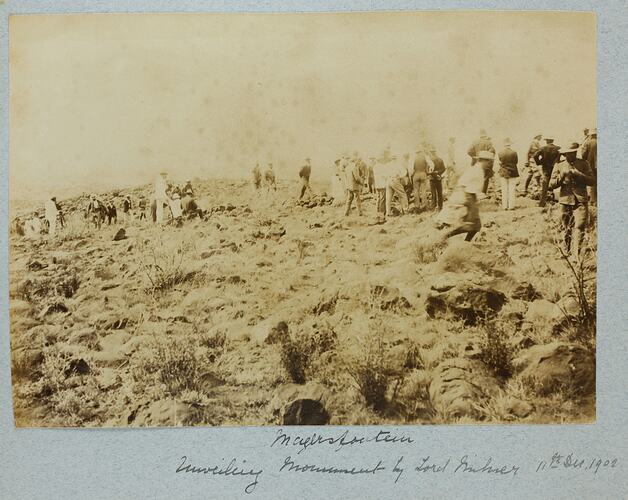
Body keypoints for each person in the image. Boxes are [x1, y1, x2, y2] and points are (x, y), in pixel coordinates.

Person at [549, 143, 596, 259]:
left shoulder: (584, 164)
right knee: (566, 227)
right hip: (565, 200)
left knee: (580, 226)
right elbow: (551, 185)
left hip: (581, 200)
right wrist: (561, 177)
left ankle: (576, 255)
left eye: (574, 153)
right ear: (564, 155)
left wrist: (578, 174)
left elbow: (591, 181)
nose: (572, 155)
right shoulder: (559, 166)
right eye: (569, 154)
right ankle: (566, 251)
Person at [440, 152, 487, 241]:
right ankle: (445, 236)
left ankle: (466, 243)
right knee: (471, 225)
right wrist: (466, 199)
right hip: (469, 196)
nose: (490, 164)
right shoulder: (475, 170)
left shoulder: (480, 169)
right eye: (489, 161)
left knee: (476, 225)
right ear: (483, 160)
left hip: (472, 197)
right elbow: (462, 182)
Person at [533, 134, 561, 207]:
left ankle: (542, 203)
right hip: (555, 167)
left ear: (546, 141)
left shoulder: (543, 148)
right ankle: (553, 200)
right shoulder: (558, 148)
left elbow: (535, 155)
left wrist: (539, 162)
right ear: (552, 140)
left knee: (545, 185)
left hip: (545, 168)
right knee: (554, 183)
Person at [498, 138, 519, 210]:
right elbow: (516, 162)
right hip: (512, 172)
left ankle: (504, 206)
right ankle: (511, 206)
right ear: (510, 144)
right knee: (512, 189)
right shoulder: (514, 152)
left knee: (504, 189)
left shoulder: (500, 152)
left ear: (504, 144)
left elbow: (501, 161)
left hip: (503, 172)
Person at [426, 146, 446, 211]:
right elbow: (444, 169)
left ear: (431, 153)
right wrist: (438, 173)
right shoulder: (440, 159)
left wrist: (432, 173)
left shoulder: (429, 161)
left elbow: (427, 172)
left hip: (432, 179)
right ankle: (440, 206)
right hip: (438, 178)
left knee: (433, 193)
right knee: (439, 193)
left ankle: (433, 207)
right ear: (435, 152)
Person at [581, 128, 597, 204]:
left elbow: (583, 155)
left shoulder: (588, 143)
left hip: (591, 165)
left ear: (591, 135)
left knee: (593, 182)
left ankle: (593, 200)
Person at [373, 155, 388, 222]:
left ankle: (377, 213)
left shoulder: (375, 166)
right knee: (382, 199)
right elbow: (385, 175)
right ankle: (382, 215)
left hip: (377, 184)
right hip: (382, 184)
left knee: (378, 199)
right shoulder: (382, 166)